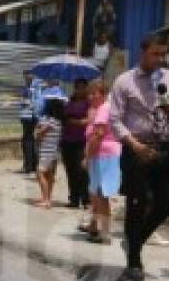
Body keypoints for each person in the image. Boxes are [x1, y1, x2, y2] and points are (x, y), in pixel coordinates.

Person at [109, 33, 169, 281]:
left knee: (167, 202)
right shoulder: (124, 81)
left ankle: (135, 241)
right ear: (143, 52)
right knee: (137, 202)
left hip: (164, 147)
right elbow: (115, 119)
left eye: (164, 54)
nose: (160, 59)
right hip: (136, 148)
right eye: (155, 53)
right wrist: (134, 145)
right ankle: (134, 261)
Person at [81, 77, 121, 244]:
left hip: (104, 155)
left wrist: (87, 157)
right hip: (102, 154)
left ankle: (105, 233)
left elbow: (98, 135)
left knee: (103, 194)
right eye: (89, 94)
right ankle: (95, 226)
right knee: (97, 193)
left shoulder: (104, 109)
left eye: (94, 93)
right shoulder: (99, 109)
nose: (91, 97)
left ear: (103, 94)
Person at [61, 78, 93, 209]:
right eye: (77, 87)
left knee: (82, 171)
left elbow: (89, 120)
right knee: (70, 170)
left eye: (82, 87)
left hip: (82, 140)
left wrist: (76, 122)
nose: (79, 89)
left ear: (86, 88)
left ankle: (86, 199)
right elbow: (64, 117)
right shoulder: (70, 100)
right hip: (67, 140)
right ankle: (74, 199)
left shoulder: (89, 102)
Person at [33, 97, 64, 209]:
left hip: (47, 151)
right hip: (54, 151)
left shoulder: (51, 121)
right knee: (49, 175)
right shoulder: (59, 121)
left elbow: (39, 134)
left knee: (40, 173)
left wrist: (38, 131)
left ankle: (46, 200)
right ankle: (47, 198)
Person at [18, 71, 43, 175]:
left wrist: (37, 116)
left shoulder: (34, 88)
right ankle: (32, 165)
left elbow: (38, 102)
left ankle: (29, 166)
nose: (26, 76)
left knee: (27, 141)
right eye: (25, 74)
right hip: (25, 116)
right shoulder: (27, 87)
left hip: (30, 116)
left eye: (29, 74)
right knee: (30, 140)